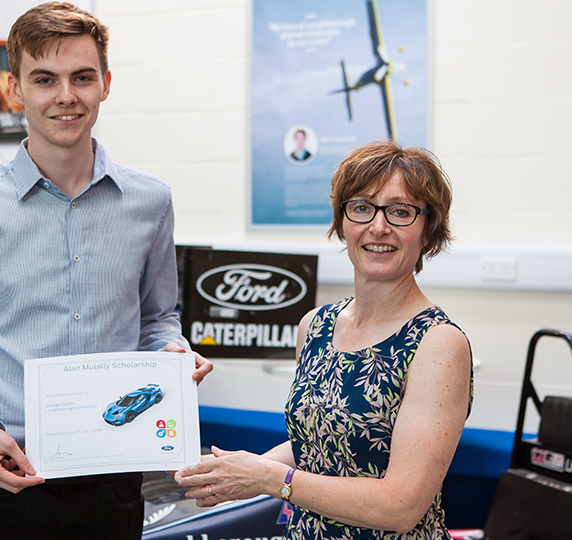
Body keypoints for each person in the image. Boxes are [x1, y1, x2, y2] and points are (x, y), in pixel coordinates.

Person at [0, 3, 212, 539]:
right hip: (3, 485)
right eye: (44, 79)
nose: (65, 96)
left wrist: (173, 352)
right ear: (15, 89)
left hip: (113, 483)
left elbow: (159, 319)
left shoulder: (151, 202)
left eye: (82, 77)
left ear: (106, 84)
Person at [175, 141, 472, 539]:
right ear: (342, 220)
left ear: (428, 227)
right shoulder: (316, 325)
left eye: (400, 212)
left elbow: (400, 506)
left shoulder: (438, 344)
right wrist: (227, 473)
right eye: (362, 208)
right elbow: (316, 446)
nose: (378, 227)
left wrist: (268, 478)